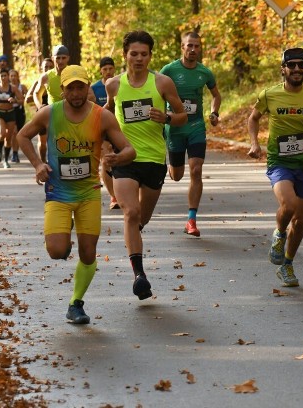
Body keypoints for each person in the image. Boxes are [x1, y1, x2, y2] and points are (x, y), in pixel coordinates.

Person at [17, 65, 136, 324]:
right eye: (70, 87)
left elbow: (129, 149)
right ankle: (64, 233)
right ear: (62, 90)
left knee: (88, 253)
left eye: (80, 86)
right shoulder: (49, 114)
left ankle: (76, 303)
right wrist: (38, 164)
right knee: (58, 252)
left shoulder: (101, 116)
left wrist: (117, 156)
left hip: (89, 193)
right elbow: (22, 136)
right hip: (58, 192)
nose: (76, 92)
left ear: (87, 87)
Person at [105, 30, 187, 300]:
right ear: (125, 55)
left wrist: (165, 117)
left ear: (150, 56)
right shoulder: (114, 85)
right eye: (133, 54)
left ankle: (133, 238)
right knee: (131, 212)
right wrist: (103, 142)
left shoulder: (162, 83)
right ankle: (139, 275)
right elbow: (106, 112)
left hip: (153, 159)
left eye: (144, 54)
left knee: (142, 218)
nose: (138, 59)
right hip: (125, 158)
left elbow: (182, 116)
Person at [248, 47, 303, 288]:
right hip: (279, 162)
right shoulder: (269, 95)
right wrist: (254, 143)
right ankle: (278, 233)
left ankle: (287, 264)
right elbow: (253, 118)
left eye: (301, 65)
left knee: (300, 219)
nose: (297, 69)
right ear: (283, 69)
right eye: (292, 65)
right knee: (289, 205)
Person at [160, 31, 222, 237]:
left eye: (196, 46)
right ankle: (171, 166)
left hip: (196, 127)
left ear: (200, 48)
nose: (193, 49)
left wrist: (214, 112)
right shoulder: (169, 70)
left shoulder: (205, 72)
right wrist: (162, 117)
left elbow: (216, 95)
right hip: (175, 128)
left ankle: (191, 220)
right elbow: (156, 92)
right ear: (182, 47)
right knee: (177, 176)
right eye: (189, 46)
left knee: (196, 170)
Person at [92, 56, 119, 208]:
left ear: (114, 69)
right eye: (105, 69)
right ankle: (113, 197)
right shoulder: (94, 89)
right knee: (106, 160)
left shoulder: (120, 84)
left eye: (110, 68)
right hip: (103, 130)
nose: (108, 72)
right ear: (101, 71)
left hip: (121, 128)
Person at [0, 68, 24, 169]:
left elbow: (22, 100)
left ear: (8, 77)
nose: (3, 78)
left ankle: (5, 160)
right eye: (1, 76)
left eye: (5, 75)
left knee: (9, 138)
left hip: (10, 114)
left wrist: (14, 100)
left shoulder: (13, 88)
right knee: (2, 133)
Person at [26, 57, 54, 162]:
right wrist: (40, 97)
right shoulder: (38, 82)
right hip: (41, 114)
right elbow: (27, 99)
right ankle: (43, 161)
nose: (48, 69)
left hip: (55, 113)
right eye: (45, 67)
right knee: (42, 143)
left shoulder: (57, 79)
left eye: (50, 67)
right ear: (41, 68)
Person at [9, 69, 28, 163]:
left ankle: (16, 151)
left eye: (14, 75)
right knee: (14, 132)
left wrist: (16, 100)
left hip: (20, 111)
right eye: (11, 76)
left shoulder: (22, 87)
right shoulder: (6, 87)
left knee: (19, 133)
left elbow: (26, 99)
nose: (13, 77)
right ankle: (14, 153)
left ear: (17, 76)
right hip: (9, 111)